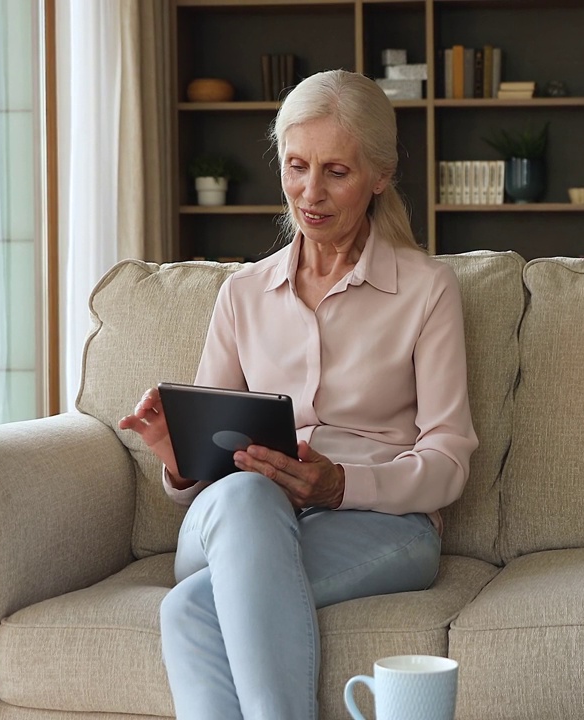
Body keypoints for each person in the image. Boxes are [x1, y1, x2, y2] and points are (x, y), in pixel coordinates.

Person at [118, 69, 478, 720]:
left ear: (380, 174)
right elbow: (207, 476)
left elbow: (450, 462)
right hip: (234, 520)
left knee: (189, 608)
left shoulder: (427, 291)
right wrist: (180, 458)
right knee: (249, 492)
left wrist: (341, 485)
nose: (309, 194)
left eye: (336, 172)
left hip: (379, 529)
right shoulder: (241, 294)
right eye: (296, 166)